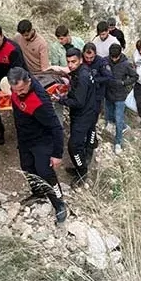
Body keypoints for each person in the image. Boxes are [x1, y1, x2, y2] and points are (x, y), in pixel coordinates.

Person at [7, 67, 68, 223]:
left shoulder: (40, 101)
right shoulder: (16, 89)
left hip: (42, 140)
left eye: (21, 89)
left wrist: (57, 154)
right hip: (25, 139)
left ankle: (59, 203)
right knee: (27, 167)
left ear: (28, 81)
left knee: (45, 172)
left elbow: (56, 127)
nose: (18, 93)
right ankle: (38, 192)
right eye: (15, 90)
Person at [53, 48, 96, 184]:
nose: (70, 65)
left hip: (84, 114)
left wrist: (60, 100)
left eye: (74, 61)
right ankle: (80, 165)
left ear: (81, 60)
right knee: (80, 143)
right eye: (68, 62)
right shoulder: (80, 71)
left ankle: (82, 172)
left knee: (73, 146)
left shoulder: (83, 76)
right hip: (85, 112)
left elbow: (78, 101)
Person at [81, 43, 113, 167]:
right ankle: (87, 143)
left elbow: (109, 77)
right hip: (83, 98)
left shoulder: (101, 62)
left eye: (91, 58)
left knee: (91, 125)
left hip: (96, 98)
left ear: (95, 54)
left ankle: (89, 151)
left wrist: (94, 80)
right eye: (86, 58)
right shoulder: (80, 60)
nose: (88, 60)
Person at [104, 44, 138, 154]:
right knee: (109, 115)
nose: (113, 59)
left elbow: (135, 77)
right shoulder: (105, 61)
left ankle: (118, 142)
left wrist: (123, 83)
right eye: (112, 57)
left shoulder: (126, 64)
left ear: (120, 54)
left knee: (118, 119)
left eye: (115, 57)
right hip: (108, 94)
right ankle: (115, 124)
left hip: (120, 96)